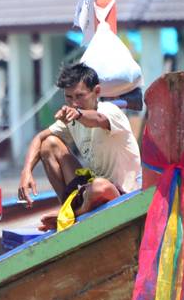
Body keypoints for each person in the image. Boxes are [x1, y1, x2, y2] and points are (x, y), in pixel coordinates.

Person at [17, 61, 141, 230]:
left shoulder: (110, 111)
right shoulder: (71, 118)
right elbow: (39, 138)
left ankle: (70, 216)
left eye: (79, 96)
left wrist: (78, 114)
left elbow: (97, 119)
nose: (74, 103)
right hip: (90, 191)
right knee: (49, 144)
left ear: (96, 92)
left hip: (120, 195)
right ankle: (67, 208)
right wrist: (26, 172)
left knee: (100, 186)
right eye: (69, 97)